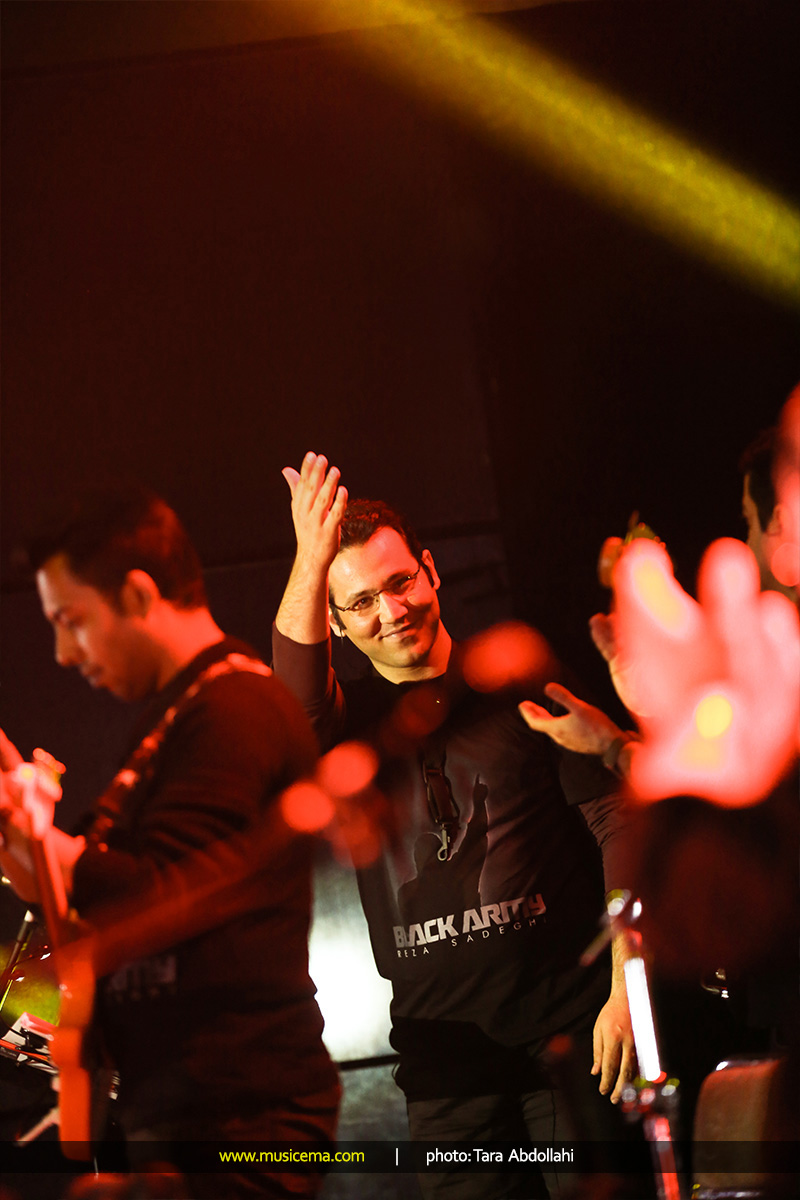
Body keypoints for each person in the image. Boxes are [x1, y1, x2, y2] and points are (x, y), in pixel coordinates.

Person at [272, 453, 636, 1200]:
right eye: (361, 602)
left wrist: (628, 985)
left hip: (572, 1038)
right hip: (446, 1068)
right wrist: (310, 556)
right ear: (335, 623)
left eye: (400, 582)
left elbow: (617, 820)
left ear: (431, 571)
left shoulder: (513, 681)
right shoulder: (350, 726)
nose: (391, 610)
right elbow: (293, 699)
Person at [0, 485, 339, 1199]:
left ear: (135, 593)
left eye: (70, 621)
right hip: (186, 1121)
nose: (62, 653)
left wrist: (40, 839)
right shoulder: (176, 717)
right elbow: (98, 913)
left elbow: (171, 897)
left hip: (243, 1127)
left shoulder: (235, 707)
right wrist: (25, 842)